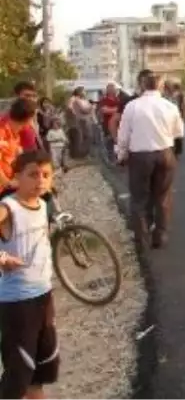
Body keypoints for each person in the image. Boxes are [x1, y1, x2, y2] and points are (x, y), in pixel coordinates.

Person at [0, 150, 60, 400]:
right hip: (16, 303)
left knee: (42, 367)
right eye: (33, 175)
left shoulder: (43, 205)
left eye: (46, 175)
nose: (40, 181)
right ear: (16, 178)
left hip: (43, 295)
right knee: (19, 373)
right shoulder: (8, 208)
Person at [116, 72, 184, 249]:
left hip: (140, 156)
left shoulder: (132, 107)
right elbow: (179, 134)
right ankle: (159, 235)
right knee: (162, 197)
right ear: (160, 86)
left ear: (142, 86)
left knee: (139, 198)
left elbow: (123, 135)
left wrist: (121, 155)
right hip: (164, 153)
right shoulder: (170, 107)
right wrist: (175, 155)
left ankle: (141, 237)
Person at [0, 99, 37, 191]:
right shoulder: (2, 132)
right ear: (28, 118)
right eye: (33, 117)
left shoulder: (15, 133)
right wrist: (7, 183)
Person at [11, 82, 41, 152]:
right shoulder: (10, 119)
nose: (31, 99)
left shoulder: (34, 115)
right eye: (27, 95)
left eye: (34, 96)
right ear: (17, 97)